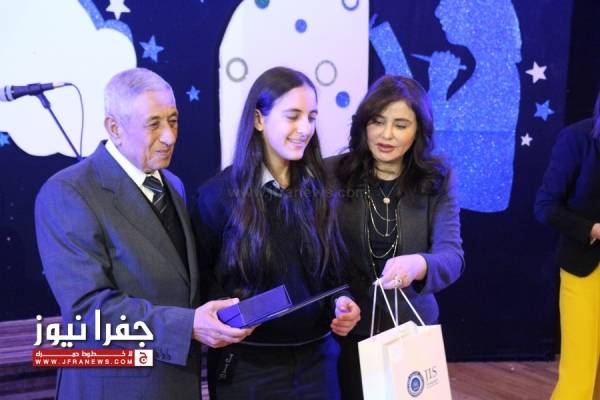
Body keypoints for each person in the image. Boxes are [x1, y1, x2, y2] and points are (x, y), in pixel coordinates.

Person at [35, 67, 253, 400]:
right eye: (154, 124)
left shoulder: (173, 185)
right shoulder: (69, 191)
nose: (170, 136)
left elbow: (181, 286)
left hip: (177, 383)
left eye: (173, 120)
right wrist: (188, 325)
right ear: (114, 128)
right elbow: (88, 309)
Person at [192, 66, 361, 399]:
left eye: (311, 117)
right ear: (259, 119)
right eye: (292, 116)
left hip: (318, 363)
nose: (305, 128)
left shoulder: (323, 191)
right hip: (246, 368)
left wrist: (344, 303)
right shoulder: (217, 196)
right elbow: (201, 283)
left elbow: (336, 274)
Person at [328, 75, 465, 400]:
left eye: (400, 125)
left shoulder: (438, 178)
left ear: (418, 130)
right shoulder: (332, 173)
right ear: (363, 124)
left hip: (411, 333)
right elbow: (318, 258)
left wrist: (419, 264)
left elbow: (452, 256)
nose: (386, 134)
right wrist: (336, 301)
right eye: (377, 122)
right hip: (348, 331)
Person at [535, 90, 600, 399]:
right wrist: (593, 229)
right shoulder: (576, 138)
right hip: (585, 266)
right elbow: (545, 206)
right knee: (579, 375)